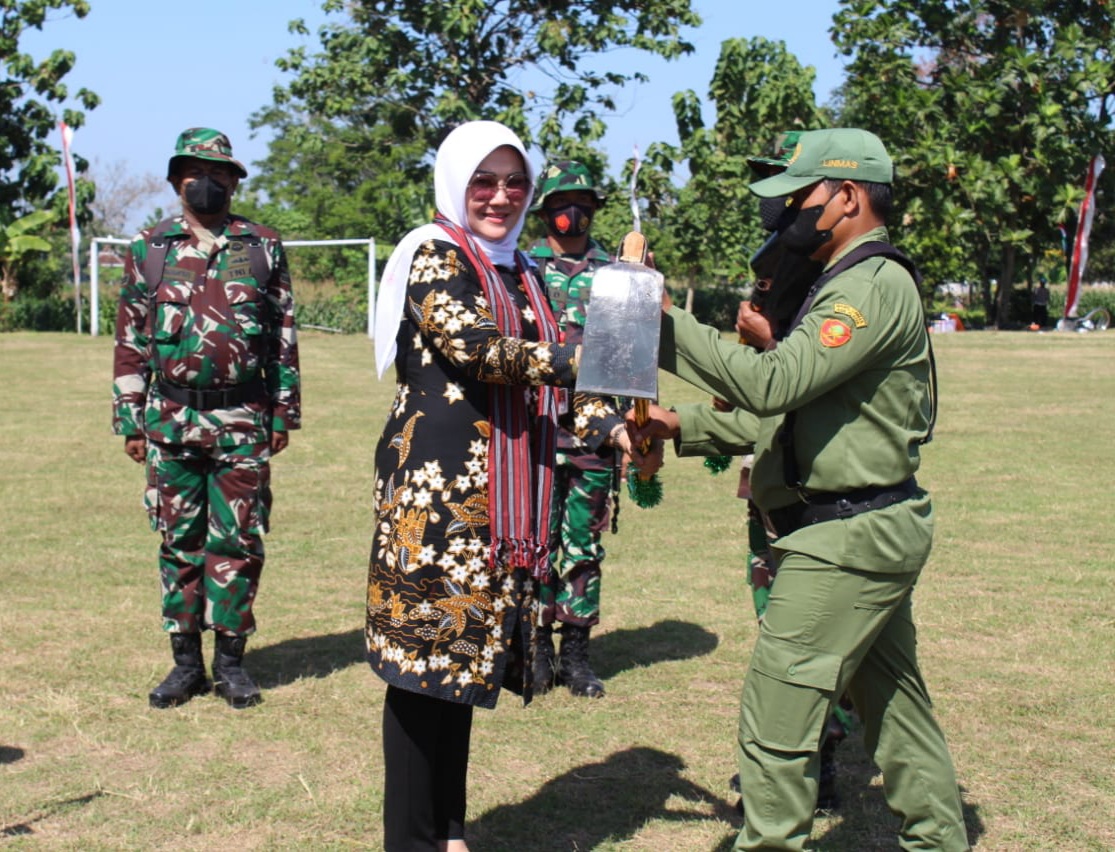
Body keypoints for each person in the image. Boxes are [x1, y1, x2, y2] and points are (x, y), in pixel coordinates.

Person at [630, 128, 969, 850]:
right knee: (898, 714)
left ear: (847, 196)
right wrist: (676, 424)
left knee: (776, 724)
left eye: (798, 197)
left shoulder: (867, 286)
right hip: (861, 526)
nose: (787, 215)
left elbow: (774, 381)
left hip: (846, 535)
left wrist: (664, 324)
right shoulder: (840, 282)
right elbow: (789, 420)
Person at [367, 121, 632, 852]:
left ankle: (449, 831)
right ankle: (411, 841)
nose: (500, 196)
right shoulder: (434, 253)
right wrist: (590, 358)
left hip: (501, 510)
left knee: (462, 669)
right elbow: (479, 351)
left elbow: (558, 380)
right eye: (484, 181)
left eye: (515, 183)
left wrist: (613, 423)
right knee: (421, 673)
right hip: (436, 504)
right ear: (457, 181)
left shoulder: (524, 272)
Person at [113, 127, 301, 710]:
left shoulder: (262, 246)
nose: (207, 182)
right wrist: (129, 419)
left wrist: (283, 411)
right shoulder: (149, 248)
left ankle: (232, 665)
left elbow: (283, 335)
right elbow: (130, 340)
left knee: (239, 542)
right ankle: (186, 665)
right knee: (179, 544)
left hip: (243, 418)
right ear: (177, 181)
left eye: (219, 173)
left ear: (235, 182)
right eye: (196, 172)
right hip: (170, 419)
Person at [527, 160, 626, 699]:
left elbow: (633, 357)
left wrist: (632, 430)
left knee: (583, 544)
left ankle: (577, 654)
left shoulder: (616, 275)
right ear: (544, 211)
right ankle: (537, 648)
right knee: (536, 539)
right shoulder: (520, 269)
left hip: (596, 428)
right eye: (562, 203)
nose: (573, 212)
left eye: (583, 202)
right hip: (535, 427)